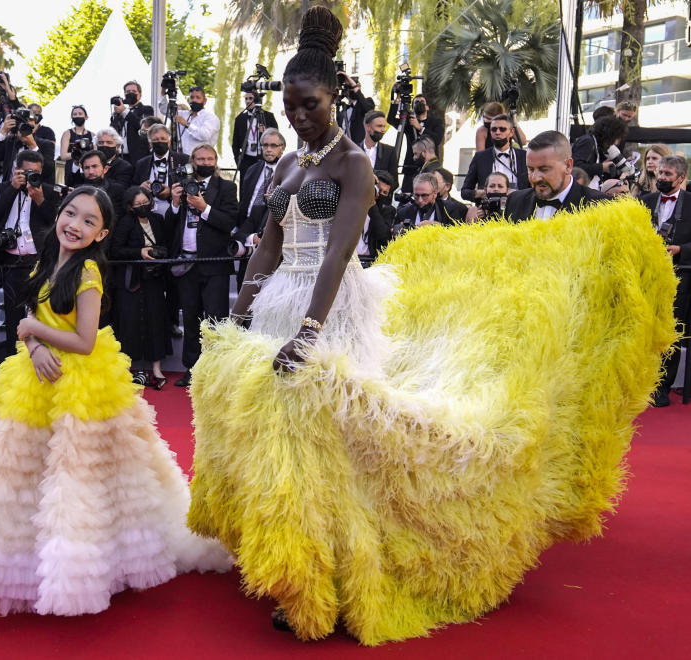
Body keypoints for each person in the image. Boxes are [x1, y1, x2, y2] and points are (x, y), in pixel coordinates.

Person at [186, 6, 673, 646]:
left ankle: (331, 570)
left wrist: (309, 332)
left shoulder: (354, 164)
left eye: (310, 105)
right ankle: (283, 550)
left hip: (331, 307)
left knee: (323, 435)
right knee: (278, 433)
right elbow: (270, 242)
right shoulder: (282, 167)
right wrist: (245, 308)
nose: (298, 116)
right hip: (280, 299)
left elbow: (337, 253)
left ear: (334, 98)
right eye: (290, 106)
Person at [0, 185, 230, 616]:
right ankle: (24, 559)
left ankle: (85, 561)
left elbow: (85, 340)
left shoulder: (88, 272)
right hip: (35, 372)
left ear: (102, 233)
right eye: (71, 214)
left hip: (78, 382)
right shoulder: (50, 259)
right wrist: (32, 344)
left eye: (89, 221)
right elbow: (35, 318)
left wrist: (31, 332)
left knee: (76, 476)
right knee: (19, 471)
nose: (75, 225)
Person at [165, 143, 238, 387]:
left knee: (216, 320)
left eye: (209, 159)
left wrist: (203, 207)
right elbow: (170, 226)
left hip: (214, 264)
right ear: (192, 161)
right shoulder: (182, 186)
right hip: (186, 263)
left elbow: (229, 222)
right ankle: (192, 369)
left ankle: (217, 371)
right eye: (200, 159)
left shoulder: (227, 187)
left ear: (216, 162)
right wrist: (175, 204)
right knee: (191, 318)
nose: (205, 162)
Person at [0, 151, 61, 354]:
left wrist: (40, 200)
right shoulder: (4, 188)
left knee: (41, 312)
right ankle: (13, 357)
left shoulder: (50, 191)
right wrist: (12, 188)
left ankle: (41, 355)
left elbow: (56, 224)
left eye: (35, 172)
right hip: (11, 260)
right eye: (26, 171)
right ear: (16, 169)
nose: (30, 175)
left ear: (41, 171)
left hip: (38, 261)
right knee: (13, 313)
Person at [109, 186, 171, 388]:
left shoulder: (158, 220)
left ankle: (156, 369)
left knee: (156, 320)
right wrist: (140, 252)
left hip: (154, 279)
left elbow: (165, 245)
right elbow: (116, 250)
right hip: (131, 281)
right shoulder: (125, 222)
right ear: (130, 207)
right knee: (130, 322)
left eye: (146, 203)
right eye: (139, 205)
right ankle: (130, 368)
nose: (144, 207)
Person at [641, 155, 690, 407]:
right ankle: (640, 385)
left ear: (681, 178)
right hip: (645, 276)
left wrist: (680, 249)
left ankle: (662, 388)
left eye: (668, 175)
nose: (661, 178)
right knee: (643, 331)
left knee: (670, 333)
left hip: (679, 277)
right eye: (660, 173)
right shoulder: (645, 201)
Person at [506, 131, 609, 222]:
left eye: (544, 169)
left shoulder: (600, 206)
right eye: (531, 169)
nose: (535, 177)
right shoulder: (514, 201)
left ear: (568, 166)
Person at [234, 128, 285, 286]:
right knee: (245, 286)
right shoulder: (252, 170)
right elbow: (245, 205)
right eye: (265, 145)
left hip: (276, 239)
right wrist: (246, 235)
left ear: (282, 148)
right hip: (249, 234)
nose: (268, 149)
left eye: (273, 145)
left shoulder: (291, 171)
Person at [460, 114, 530, 202]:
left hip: (518, 209)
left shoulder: (523, 156)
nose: (497, 132)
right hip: (488, 211)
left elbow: (532, 188)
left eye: (502, 129)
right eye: (494, 129)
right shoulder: (480, 157)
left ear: (511, 132)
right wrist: (481, 193)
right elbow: (465, 191)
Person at [387, 90, 444, 192]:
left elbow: (437, 139)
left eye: (422, 102)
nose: (419, 104)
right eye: (416, 102)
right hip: (411, 166)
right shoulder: (407, 122)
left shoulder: (435, 122)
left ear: (427, 107)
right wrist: (397, 98)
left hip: (430, 167)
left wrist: (419, 128)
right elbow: (390, 119)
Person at [133, 123, 188, 218]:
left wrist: (171, 192)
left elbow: (190, 186)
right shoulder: (141, 163)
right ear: (150, 143)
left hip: (176, 210)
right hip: (149, 212)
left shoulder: (184, 160)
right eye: (155, 140)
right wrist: (140, 188)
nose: (160, 142)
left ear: (169, 141)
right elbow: (132, 187)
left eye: (163, 139)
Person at [161, 85, 221, 158]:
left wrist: (186, 124)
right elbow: (164, 110)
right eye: (192, 97)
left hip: (201, 159)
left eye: (198, 97)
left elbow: (204, 135)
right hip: (181, 158)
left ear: (204, 101)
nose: (194, 100)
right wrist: (163, 92)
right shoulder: (183, 114)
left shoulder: (210, 117)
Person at [231, 92, 279, 179]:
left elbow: (277, 139)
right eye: (246, 99)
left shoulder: (268, 116)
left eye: (251, 98)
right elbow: (235, 143)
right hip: (246, 160)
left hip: (264, 158)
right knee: (245, 190)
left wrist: (266, 131)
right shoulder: (240, 118)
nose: (248, 101)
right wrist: (239, 162)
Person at [571, 115, 629, 187]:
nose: (616, 143)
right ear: (609, 134)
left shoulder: (594, 144)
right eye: (617, 138)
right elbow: (576, 167)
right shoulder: (588, 141)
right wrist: (601, 167)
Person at [110, 80, 154, 163]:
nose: (130, 93)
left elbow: (141, 126)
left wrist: (125, 111)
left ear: (140, 95)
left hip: (138, 156)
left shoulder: (147, 109)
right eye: (128, 91)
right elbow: (113, 131)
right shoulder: (119, 112)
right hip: (120, 156)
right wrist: (116, 115)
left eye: (134, 91)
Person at [336, 71, 375, 145]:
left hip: (359, 150)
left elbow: (368, 109)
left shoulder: (367, 103)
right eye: (349, 88)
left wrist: (353, 85)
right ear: (345, 92)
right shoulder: (342, 111)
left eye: (354, 87)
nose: (352, 90)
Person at [361, 110, 398, 184]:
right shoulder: (354, 150)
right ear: (367, 127)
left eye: (384, 126)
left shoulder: (390, 152)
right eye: (379, 126)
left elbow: (394, 182)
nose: (383, 130)